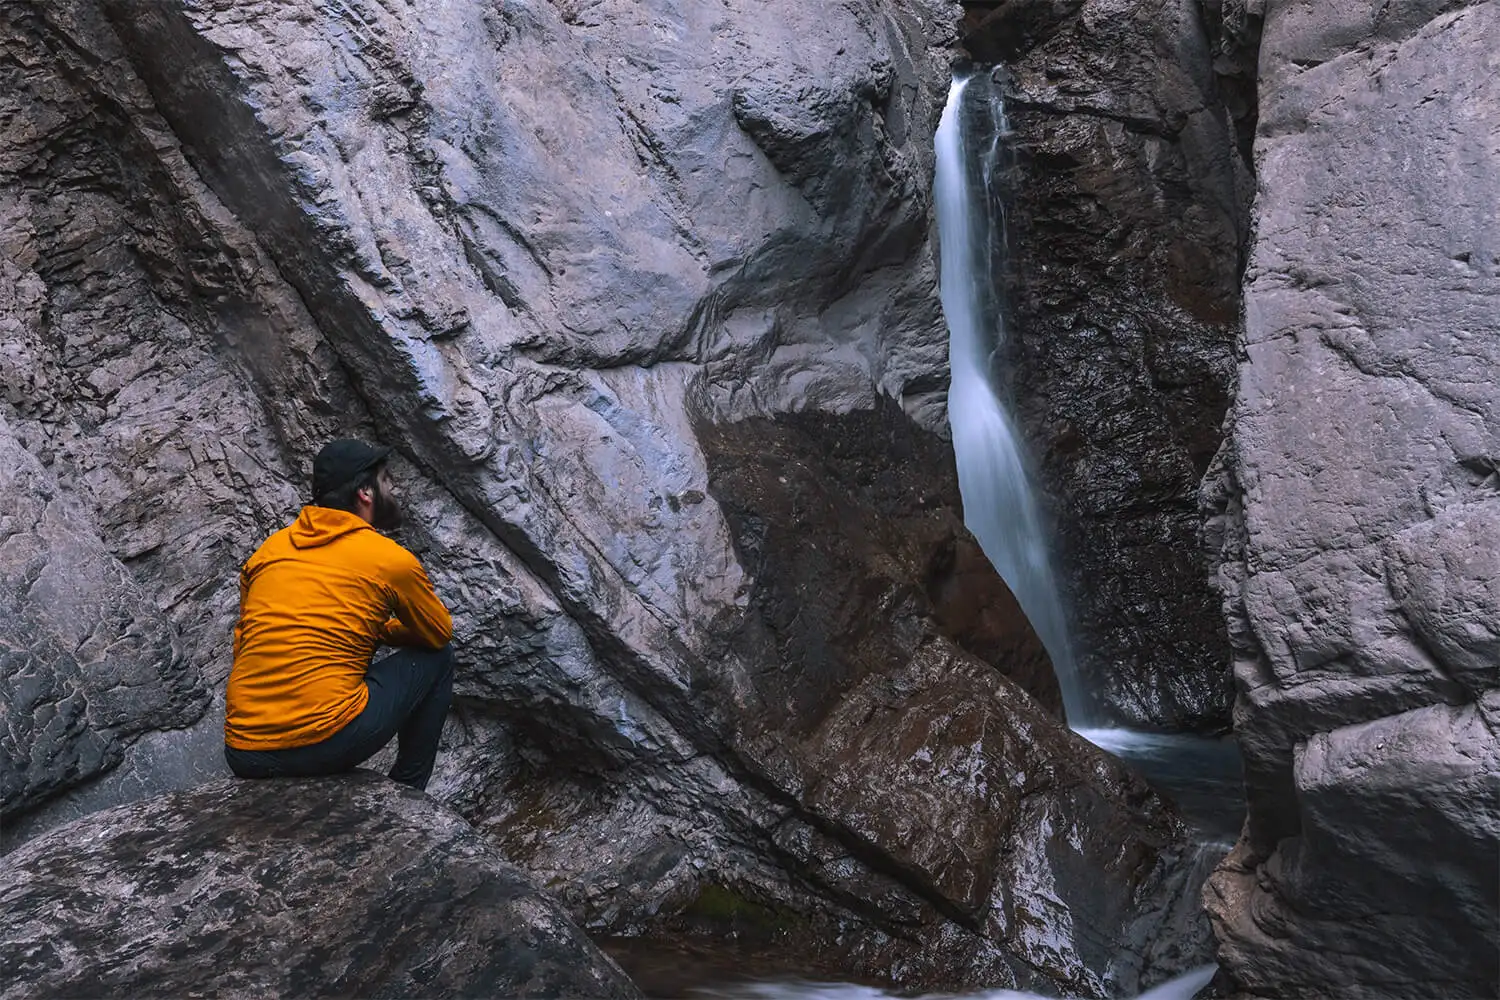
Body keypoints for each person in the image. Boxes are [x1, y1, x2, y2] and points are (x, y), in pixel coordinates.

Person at [223, 439, 454, 791]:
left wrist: (367, 628)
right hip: (324, 742)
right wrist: (379, 630)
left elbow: (243, 644)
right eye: (386, 480)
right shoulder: (389, 560)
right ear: (365, 492)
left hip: (243, 752)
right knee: (438, 658)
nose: (393, 488)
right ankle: (408, 789)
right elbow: (438, 634)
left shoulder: (268, 552)